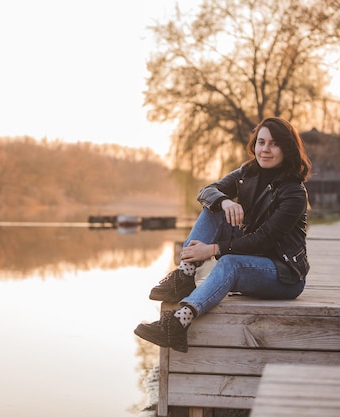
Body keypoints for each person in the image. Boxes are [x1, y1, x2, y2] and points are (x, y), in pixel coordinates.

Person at [134, 117, 312, 353]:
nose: (265, 149)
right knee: (214, 209)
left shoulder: (294, 192)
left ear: (287, 149)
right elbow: (207, 191)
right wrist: (226, 201)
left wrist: (212, 249)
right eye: (261, 142)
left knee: (230, 263)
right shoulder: (248, 173)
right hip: (252, 260)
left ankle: (179, 322)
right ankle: (185, 275)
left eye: (274, 144)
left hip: (284, 276)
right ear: (254, 145)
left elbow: (264, 239)